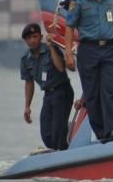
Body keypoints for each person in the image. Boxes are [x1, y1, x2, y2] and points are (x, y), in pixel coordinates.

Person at [65, 0, 113, 143]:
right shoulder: (79, 3)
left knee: (109, 91)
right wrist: (69, 54)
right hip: (88, 50)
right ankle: (101, 133)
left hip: (108, 50)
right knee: (92, 94)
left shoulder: (111, 0)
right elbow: (69, 27)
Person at [20, 23, 74, 151]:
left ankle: (64, 154)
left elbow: (61, 68)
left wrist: (51, 47)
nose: (32, 40)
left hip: (62, 92)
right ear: (25, 41)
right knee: (47, 135)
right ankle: (65, 143)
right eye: (28, 38)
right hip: (48, 95)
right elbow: (29, 82)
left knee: (57, 135)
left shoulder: (51, 49)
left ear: (40, 37)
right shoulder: (25, 59)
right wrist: (27, 106)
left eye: (34, 36)